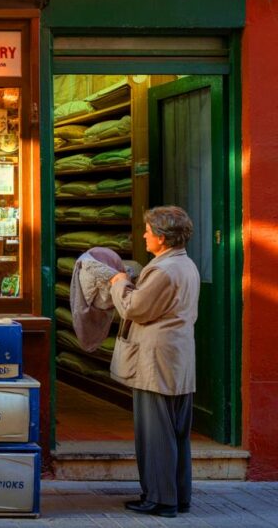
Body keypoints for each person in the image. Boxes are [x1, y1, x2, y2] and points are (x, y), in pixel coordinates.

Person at [109, 206, 200, 519]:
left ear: (162, 237)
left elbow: (135, 308)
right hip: (178, 357)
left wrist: (119, 282)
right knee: (177, 431)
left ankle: (161, 499)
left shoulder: (163, 270)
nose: (144, 235)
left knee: (155, 432)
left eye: (148, 230)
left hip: (156, 359)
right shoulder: (184, 265)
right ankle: (178, 495)